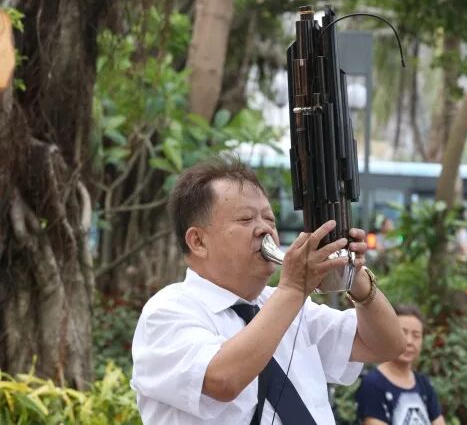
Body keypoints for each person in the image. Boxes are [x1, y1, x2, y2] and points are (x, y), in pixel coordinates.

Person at [130, 157, 405, 424]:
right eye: (246, 219)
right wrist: (294, 288)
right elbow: (222, 381)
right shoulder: (167, 311)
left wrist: (354, 276)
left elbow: (386, 345)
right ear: (198, 241)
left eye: (270, 220)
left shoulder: (284, 303)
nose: (264, 229)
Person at [355, 304, 445, 425]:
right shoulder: (372, 384)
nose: (409, 341)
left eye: (416, 335)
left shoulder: (424, 383)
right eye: (402, 333)